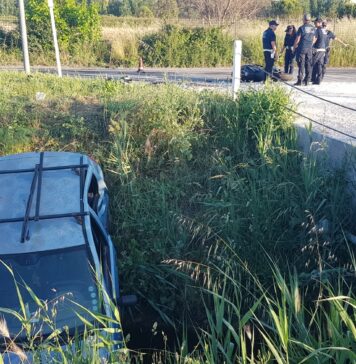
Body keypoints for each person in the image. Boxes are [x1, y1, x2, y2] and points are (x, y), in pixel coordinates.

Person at [293, 14, 316, 86]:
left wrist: (294, 46)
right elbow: (314, 38)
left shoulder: (301, 28)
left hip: (302, 48)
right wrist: (310, 45)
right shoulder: (313, 28)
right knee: (308, 64)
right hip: (309, 49)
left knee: (301, 64)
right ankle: (307, 81)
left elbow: (298, 39)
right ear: (309, 20)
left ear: (304, 19)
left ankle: (299, 81)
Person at [311, 18, 328, 85]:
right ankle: (318, 80)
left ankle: (309, 79)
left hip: (318, 49)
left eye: (315, 23)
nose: (314, 24)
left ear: (319, 22)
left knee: (312, 63)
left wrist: (310, 45)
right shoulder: (324, 30)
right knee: (319, 65)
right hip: (323, 49)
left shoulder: (318, 30)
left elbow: (315, 39)